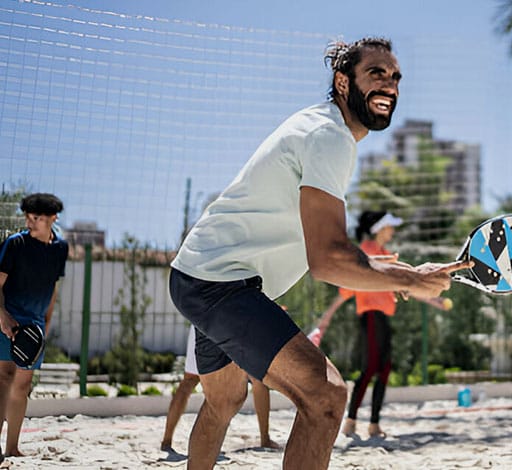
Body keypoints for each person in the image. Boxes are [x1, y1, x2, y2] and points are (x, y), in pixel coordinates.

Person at [168, 36, 470, 470]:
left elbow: (334, 250)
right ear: (343, 82)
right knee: (327, 396)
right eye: (376, 74)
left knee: (224, 400)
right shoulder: (330, 136)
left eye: (395, 77)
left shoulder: (320, 125)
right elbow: (328, 260)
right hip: (222, 283)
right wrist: (409, 281)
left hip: (201, 273)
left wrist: (409, 271)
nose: (389, 85)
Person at [320, 210, 403, 439]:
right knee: (370, 368)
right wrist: (327, 316)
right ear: (379, 229)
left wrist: (432, 297)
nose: (392, 231)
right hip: (370, 315)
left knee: (384, 369)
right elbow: (347, 288)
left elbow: (400, 282)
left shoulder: (385, 254)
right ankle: (351, 420)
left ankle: (374, 423)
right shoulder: (366, 251)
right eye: (389, 226)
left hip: (383, 317)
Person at [0, 193, 68, 460]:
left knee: (23, 383)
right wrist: (2, 315)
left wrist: (46, 324)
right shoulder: (15, 244)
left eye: (36, 218)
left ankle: (12, 447)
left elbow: (52, 288)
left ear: (53, 218)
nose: (30, 222)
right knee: (4, 378)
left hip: (35, 324)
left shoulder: (59, 249)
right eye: (28, 217)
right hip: (9, 318)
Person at [160, 325, 280, 455]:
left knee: (189, 382)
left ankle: (167, 440)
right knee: (257, 377)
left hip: (203, 320)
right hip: (233, 321)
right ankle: (265, 438)